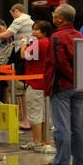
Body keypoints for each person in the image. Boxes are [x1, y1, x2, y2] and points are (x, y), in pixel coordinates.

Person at [44, 3, 83, 165]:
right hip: (79, 86)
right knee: (78, 126)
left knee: (61, 125)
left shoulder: (57, 37)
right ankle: (80, 160)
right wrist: (80, 81)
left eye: (55, 13)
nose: (53, 16)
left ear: (61, 18)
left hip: (62, 86)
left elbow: (59, 63)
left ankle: (61, 161)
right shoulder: (79, 36)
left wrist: (72, 78)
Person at [20, 21, 53, 151]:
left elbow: (24, 55)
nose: (33, 32)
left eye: (36, 30)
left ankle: (36, 141)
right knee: (45, 114)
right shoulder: (50, 42)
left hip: (35, 83)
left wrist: (23, 43)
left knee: (35, 113)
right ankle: (45, 141)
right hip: (47, 83)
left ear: (43, 32)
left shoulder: (39, 43)